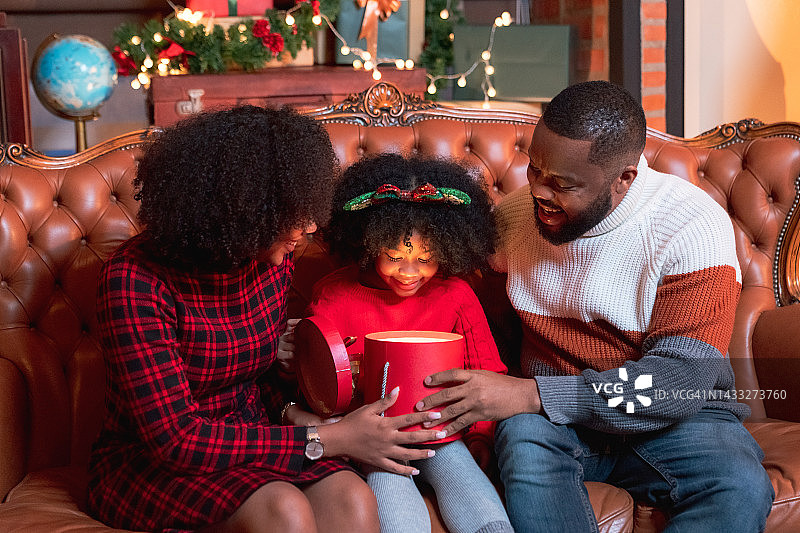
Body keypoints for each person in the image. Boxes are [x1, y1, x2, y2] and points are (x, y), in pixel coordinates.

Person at [415, 81, 775, 532]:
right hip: (554, 422)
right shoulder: (514, 220)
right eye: (535, 171)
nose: (540, 193)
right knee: (523, 440)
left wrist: (531, 394)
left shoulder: (690, 226)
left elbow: (681, 380)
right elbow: (454, 310)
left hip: (676, 418)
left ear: (624, 178)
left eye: (562, 185)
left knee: (739, 484)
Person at [86, 106, 446, 533]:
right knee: (283, 510)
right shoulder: (134, 280)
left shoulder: (273, 259)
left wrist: (298, 411)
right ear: (238, 210)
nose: (310, 225)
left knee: (353, 498)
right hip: (151, 462)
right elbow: (176, 441)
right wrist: (329, 439)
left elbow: (258, 382)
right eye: (289, 213)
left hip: (254, 435)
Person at [297, 153, 513, 533]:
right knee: (391, 491)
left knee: (471, 491)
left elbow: (488, 372)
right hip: (375, 440)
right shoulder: (334, 297)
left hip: (443, 433)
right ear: (368, 243)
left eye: (426, 259)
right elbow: (319, 380)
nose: (410, 273)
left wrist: (481, 437)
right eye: (394, 257)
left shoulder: (456, 295)